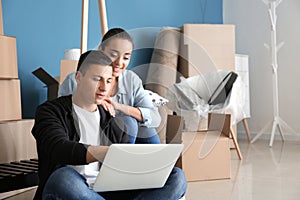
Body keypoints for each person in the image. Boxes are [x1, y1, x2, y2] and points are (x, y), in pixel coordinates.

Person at [32, 50, 187, 200]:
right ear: (78, 77)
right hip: (71, 189)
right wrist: (109, 152)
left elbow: (120, 172)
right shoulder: (50, 111)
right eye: (97, 79)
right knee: (63, 178)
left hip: (106, 190)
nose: (104, 88)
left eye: (108, 80)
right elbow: (58, 148)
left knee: (177, 177)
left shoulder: (110, 118)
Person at [58, 28, 161, 144]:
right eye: (113, 55)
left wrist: (118, 106)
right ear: (100, 49)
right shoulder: (75, 79)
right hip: (89, 132)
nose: (119, 63)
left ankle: (161, 161)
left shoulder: (131, 80)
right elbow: (62, 115)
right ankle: (117, 160)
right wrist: (95, 102)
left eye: (126, 57)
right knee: (128, 123)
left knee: (145, 129)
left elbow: (155, 118)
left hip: (124, 137)